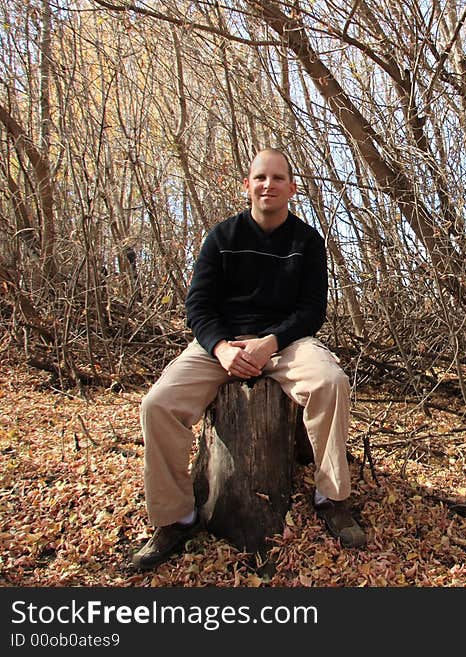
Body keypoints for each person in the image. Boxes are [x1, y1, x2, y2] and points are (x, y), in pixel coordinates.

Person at [130, 148, 365, 571]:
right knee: (157, 405)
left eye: (278, 178)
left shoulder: (307, 242)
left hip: (284, 344)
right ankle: (175, 518)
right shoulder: (222, 237)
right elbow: (197, 306)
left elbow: (313, 311)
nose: (268, 185)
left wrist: (270, 343)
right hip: (220, 346)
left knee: (331, 382)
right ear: (248, 185)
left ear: (292, 188)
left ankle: (331, 497)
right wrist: (221, 348)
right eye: (260, 177)